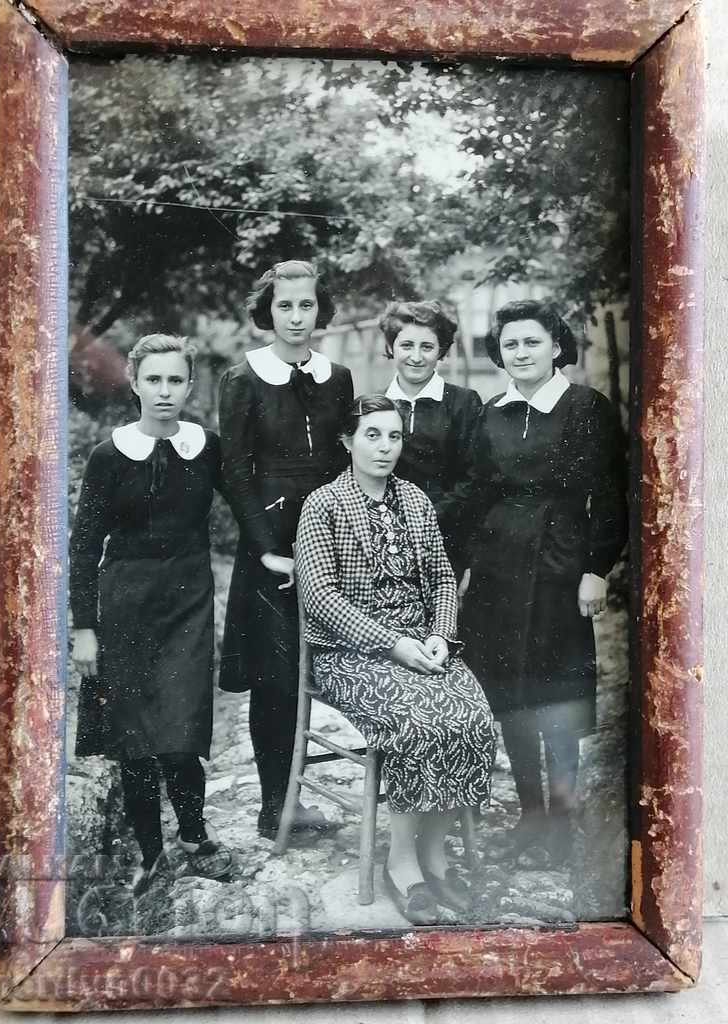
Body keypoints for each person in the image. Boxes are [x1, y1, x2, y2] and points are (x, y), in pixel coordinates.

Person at [296, 395, 496, 925]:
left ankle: (434, 849)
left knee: (471, 714)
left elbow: (441, 579)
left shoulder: (414, 500)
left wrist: (439, 634)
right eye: (373, 435)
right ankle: (401, 862)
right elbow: (320, 596)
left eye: (394, 437)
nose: (385, 447)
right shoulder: (322, 505)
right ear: (348, 441)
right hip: (351, 653)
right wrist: (391, 644)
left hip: (420, 645)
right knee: (416, 718)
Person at [459, 299, 628, 869]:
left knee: (557, 700)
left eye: (532, 342)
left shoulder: (586, 407)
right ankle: (531, 818)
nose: (521, 352)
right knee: (509, 696)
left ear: (556, 346)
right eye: (510, 344)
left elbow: (608, 495)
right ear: (499, 354)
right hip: (498, 570)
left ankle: (560, 827)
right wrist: (461, 566)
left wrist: (595, 569)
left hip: (560, 564)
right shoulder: (491, 413)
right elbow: (479, 492)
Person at [70, 334, 232, 897]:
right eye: (154, 380)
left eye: (176, 380)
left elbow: (246, 504)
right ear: (135, 383)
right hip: (125, 606)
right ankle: (151, 854)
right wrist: (84, 628)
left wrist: (273, 550)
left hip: (188, 601)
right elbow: (85, 544)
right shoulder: (109, 456)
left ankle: (194, 836)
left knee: (183, 734)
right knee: (135, 743)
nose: (165, 391)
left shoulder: (206, 447)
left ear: (190, 385)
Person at [218, 260, 354, 840]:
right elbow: (234, 472)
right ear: (267, 311)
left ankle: (300, 792)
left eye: (305, 305)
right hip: (270, 544)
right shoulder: (241, 378)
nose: (296, 317)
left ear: (320, 310)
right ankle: (276, 805)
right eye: (284, 306)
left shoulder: (339, 376)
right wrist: (268, 549)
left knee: (322, 664)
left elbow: (344, 458)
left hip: (327, 534)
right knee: (275, 674)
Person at [380, 300, 481, 576]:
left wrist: (426, 520)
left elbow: (473, 478)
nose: (416, 356)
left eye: (427, 347)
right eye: (406, 345)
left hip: (446, 538)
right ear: (391, 347)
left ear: (441, 352)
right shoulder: (375, 405)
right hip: (385, 537)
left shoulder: (462, 403)